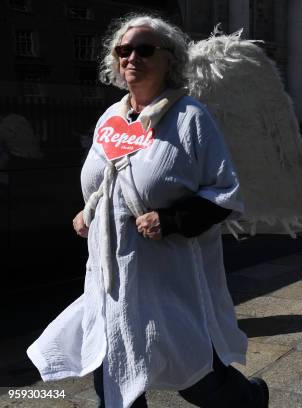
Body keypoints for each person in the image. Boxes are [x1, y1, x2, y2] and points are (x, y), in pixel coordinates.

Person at [26, 14, 268, 408]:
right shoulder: (111, 118)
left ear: (169, 58)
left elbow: (226, 191)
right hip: (109, 280)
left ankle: (250, 399)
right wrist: (88, 211)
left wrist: (172, 220)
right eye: (124, 50)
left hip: (165, 277)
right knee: (114, 376)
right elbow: (106, 179)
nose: (131, 57)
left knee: (193, 374)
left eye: (144, 49)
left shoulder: (191, 117)